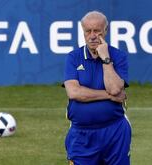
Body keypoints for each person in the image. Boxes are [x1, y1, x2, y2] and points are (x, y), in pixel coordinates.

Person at [63, 10, 131, 165]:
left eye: (97, 31)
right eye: (88, 31)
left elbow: (114, 88)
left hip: (115, 132)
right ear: (83, 32)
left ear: (105, 31)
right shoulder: (73, 57)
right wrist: (109, 96)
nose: (92, 36)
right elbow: (74, 92)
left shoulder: (118, 56)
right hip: (81, 135)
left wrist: (105, 58)